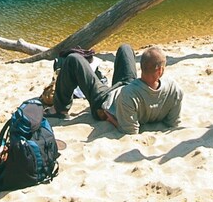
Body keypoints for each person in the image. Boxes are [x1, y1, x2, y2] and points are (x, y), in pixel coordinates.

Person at [47, 44, 183, 135]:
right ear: (161, 70)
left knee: (73, 59)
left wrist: (108, 117)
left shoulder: (129, 95)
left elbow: (129, 131)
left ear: (141, 66)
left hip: (106, 99)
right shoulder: (174, 90)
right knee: (125, 48)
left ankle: (60, 109)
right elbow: (173, 123)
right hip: (129, 86)